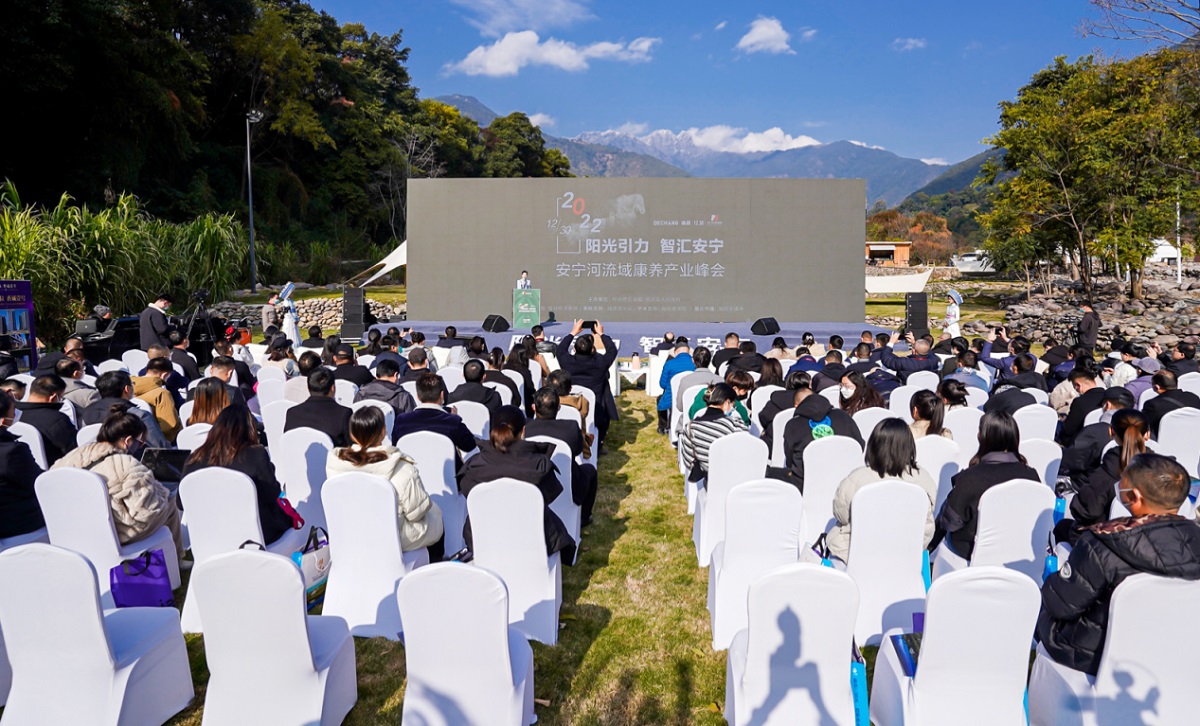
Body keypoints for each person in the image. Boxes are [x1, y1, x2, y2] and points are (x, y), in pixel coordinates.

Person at [1034, 454, 1200, 686]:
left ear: (1135, 497)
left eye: (1123, 481)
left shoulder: (1102, 542)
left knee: (1043, 608)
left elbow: (1061, 605)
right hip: (1168, 649)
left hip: (1092, 655)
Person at [53, 404, 184, 561]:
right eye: (140, 442)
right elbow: (147, 513)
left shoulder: (73, 456)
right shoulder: (126, 465)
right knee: (169, 503)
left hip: (74, 529)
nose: (140, 446)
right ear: (128, 441)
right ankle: (177, 559)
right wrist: (160, 492)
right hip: (118, 532)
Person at [457, 406, 576, 563]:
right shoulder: (539, 466)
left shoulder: (473, 466)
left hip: (482, 538)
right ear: (523, 431)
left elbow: (468, 493)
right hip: (533, 540)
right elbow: (549, 495)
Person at [326, 405, 444, 558]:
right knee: (435, 514)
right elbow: (416, 513)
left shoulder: (335, 465)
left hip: (349, 533)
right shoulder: (400, 468)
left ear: (352, 434)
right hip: (390, 537)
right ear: (383, 432)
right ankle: (433, 567)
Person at [933, 411, 1040, 561]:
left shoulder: (971, 478)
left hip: (972, 555)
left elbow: (949, 523)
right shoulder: (1032, 476)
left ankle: (925, 552)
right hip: (1020, 554)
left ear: (982, 437)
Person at [827, 419, 937, 564]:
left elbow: (840, 514)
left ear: (873, 445)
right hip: (904, 558)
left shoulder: (857, 478)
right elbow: (927, 524)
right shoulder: (923, 478)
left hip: (857, 556)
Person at [182, 404, 294, 546]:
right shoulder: (255, 454)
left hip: (210, 540)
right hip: (256, 537)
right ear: (250, 429)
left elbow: (181, 502)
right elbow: (273, 494)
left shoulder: (194, 459)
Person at [525, 387, 598, 525]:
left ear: (534, 407)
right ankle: (584, 517)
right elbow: (577, 451)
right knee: (590, 471)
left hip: (533, 482)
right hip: (569, 483)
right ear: (558, 408)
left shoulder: (525, 428)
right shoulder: (570, 427)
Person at [775, 386, 864, 490]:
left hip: (806, 485)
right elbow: (860, 446)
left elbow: (789, 460)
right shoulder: (843, 416)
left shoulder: (793, 425)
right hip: (846, 482)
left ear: (797, 405)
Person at [557, 319, 619, 451]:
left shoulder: (567, 362)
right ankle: (599, 445)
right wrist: (601, 334)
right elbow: (612, 350)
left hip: (573, 403)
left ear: (574, 349)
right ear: (592, 349)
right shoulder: (600, 363)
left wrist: (573, 332)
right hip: (597, 406)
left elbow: (560, 349)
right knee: (605, 415)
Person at [391, 372, 478, 456]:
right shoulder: (452, 421)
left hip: (411, 465)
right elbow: (469, 445)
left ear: (417, 396)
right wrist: (455, 418)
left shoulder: (401, 421)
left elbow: (395, 446)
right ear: (442, 395)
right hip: (446, 466)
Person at [80, 371, 170, 448]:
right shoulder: (139, 415)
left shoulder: (86, 412)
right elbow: (159, 447)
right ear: (127, 389)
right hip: (131, 461)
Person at [680, 382, 749, 483]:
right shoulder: (736, 424)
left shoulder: (690, 427)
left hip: (706, 479)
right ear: (727, 402)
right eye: (732, 404)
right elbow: (747, 451)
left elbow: (688, 460)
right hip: (733, 478)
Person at [0, 391, 45, 538]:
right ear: (2, 421)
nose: (16, 414)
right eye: (13, 411)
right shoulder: (11, 452)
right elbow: (38, 482)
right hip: (16, 525)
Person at [13, 375, 79, 466]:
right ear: (53, 397)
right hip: (53, 469)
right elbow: (74, 450)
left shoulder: (12, 414)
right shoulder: (57, 420)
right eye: (61, 397)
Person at [283, 368, 352, 446]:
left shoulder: (292, 413)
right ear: (333, 388)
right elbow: (352, 446)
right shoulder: (343, 414)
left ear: (308, 389)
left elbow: (288, 442)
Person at [132, 358, 182, 443]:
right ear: (164, 375)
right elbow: (170, 426)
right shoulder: (161, 394)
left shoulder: (126, 388)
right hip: (156, 442)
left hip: (132, 439)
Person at [1141, 369, 1200, 436]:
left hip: (1164, 440)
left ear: (1156, 387)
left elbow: (1142, 427)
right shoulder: (1193, 398)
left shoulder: (1152, 405)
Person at [1059, 368, 1108, 446]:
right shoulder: (1109, 397)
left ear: (1078, 385)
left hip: (1082, 443)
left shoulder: (1079, 402)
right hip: (1106, 439)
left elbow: (1068, 430)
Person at [657, 339, 695, 433]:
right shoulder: (695, 364)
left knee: (660, 399)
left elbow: (662, 384)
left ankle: (663, 426)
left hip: (672, 396)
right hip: (691, 395)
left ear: (675, 352)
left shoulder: (669, 364)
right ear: (689, 351)